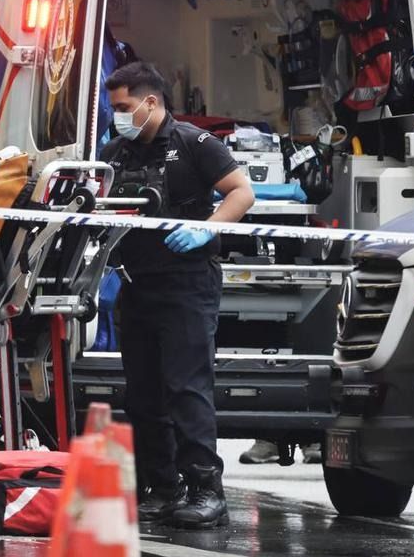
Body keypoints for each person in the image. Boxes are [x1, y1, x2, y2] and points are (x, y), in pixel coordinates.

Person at [100, 61, 254, 529]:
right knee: (143, 394)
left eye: (124, 107)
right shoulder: (116, 152)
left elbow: (241, 193)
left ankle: (207, 490)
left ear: (151, 102)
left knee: (186, 390)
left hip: (187, 283)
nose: (118, 117)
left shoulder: (193, 143)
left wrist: (205, 232)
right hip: (137, 283)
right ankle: (162, 488)